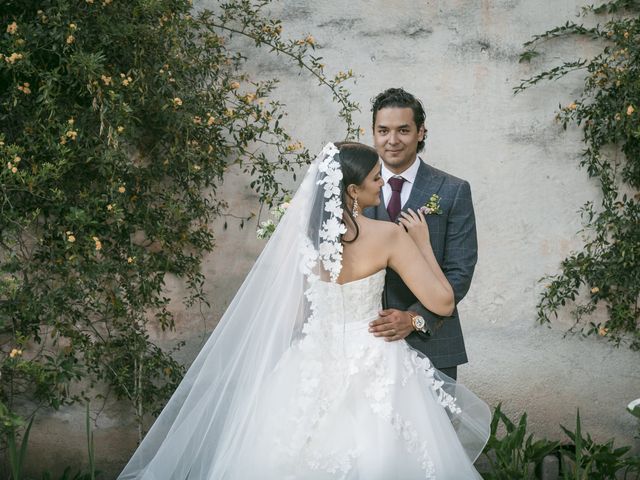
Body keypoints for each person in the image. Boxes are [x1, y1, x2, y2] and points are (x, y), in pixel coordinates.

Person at [118, 142, 489, 479]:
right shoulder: (389, 236)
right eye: (376, 178)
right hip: (375, 353)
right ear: (352, 191)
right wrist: (421, 243)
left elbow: (290, 318)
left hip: (311, 360)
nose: (382, 183)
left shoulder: (302, 242)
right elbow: (442, 301)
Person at [365, 88, 478, 381]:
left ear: (420, 132)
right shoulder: (352, 189)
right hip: (366, 340)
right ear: (373, 133)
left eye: (403, 130)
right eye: (383, 130)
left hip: (433, 343)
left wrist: (414, 319)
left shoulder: (453, 190)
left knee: (433, 427)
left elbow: (459, 272)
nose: (392, 140)